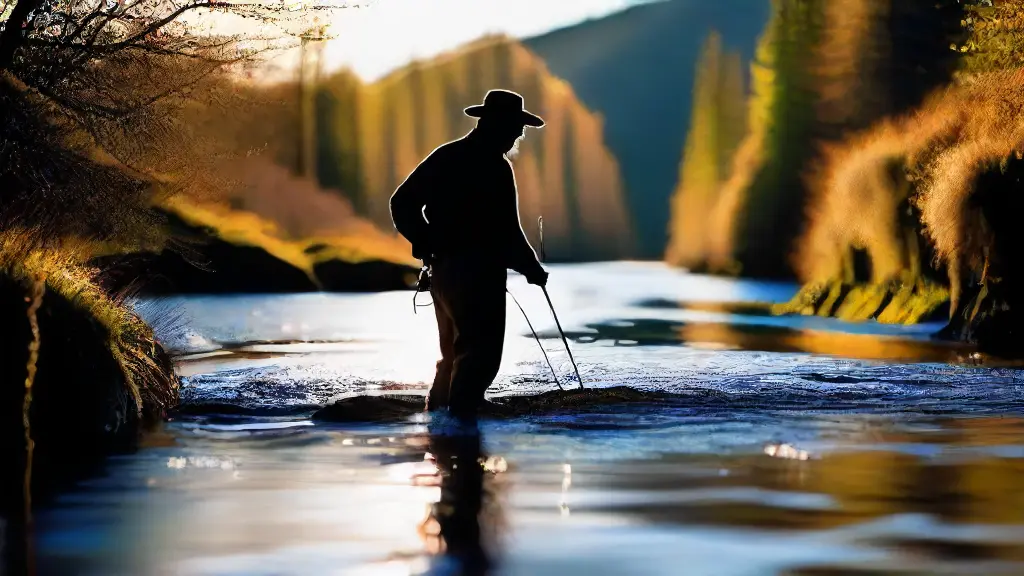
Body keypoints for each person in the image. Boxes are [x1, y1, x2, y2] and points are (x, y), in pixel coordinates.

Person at [390, 89, 548, 422]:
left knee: (453, 351)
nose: (519, 133)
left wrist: (425, 242)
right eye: (515, 126)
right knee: (480, 352)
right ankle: (462, 422)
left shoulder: (449, 156)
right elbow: (508, 231)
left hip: (443, 274)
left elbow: (401, 203)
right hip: (477, 277)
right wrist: (531, 267)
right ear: (495, 123)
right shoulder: (495, 168)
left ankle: (441, 419)